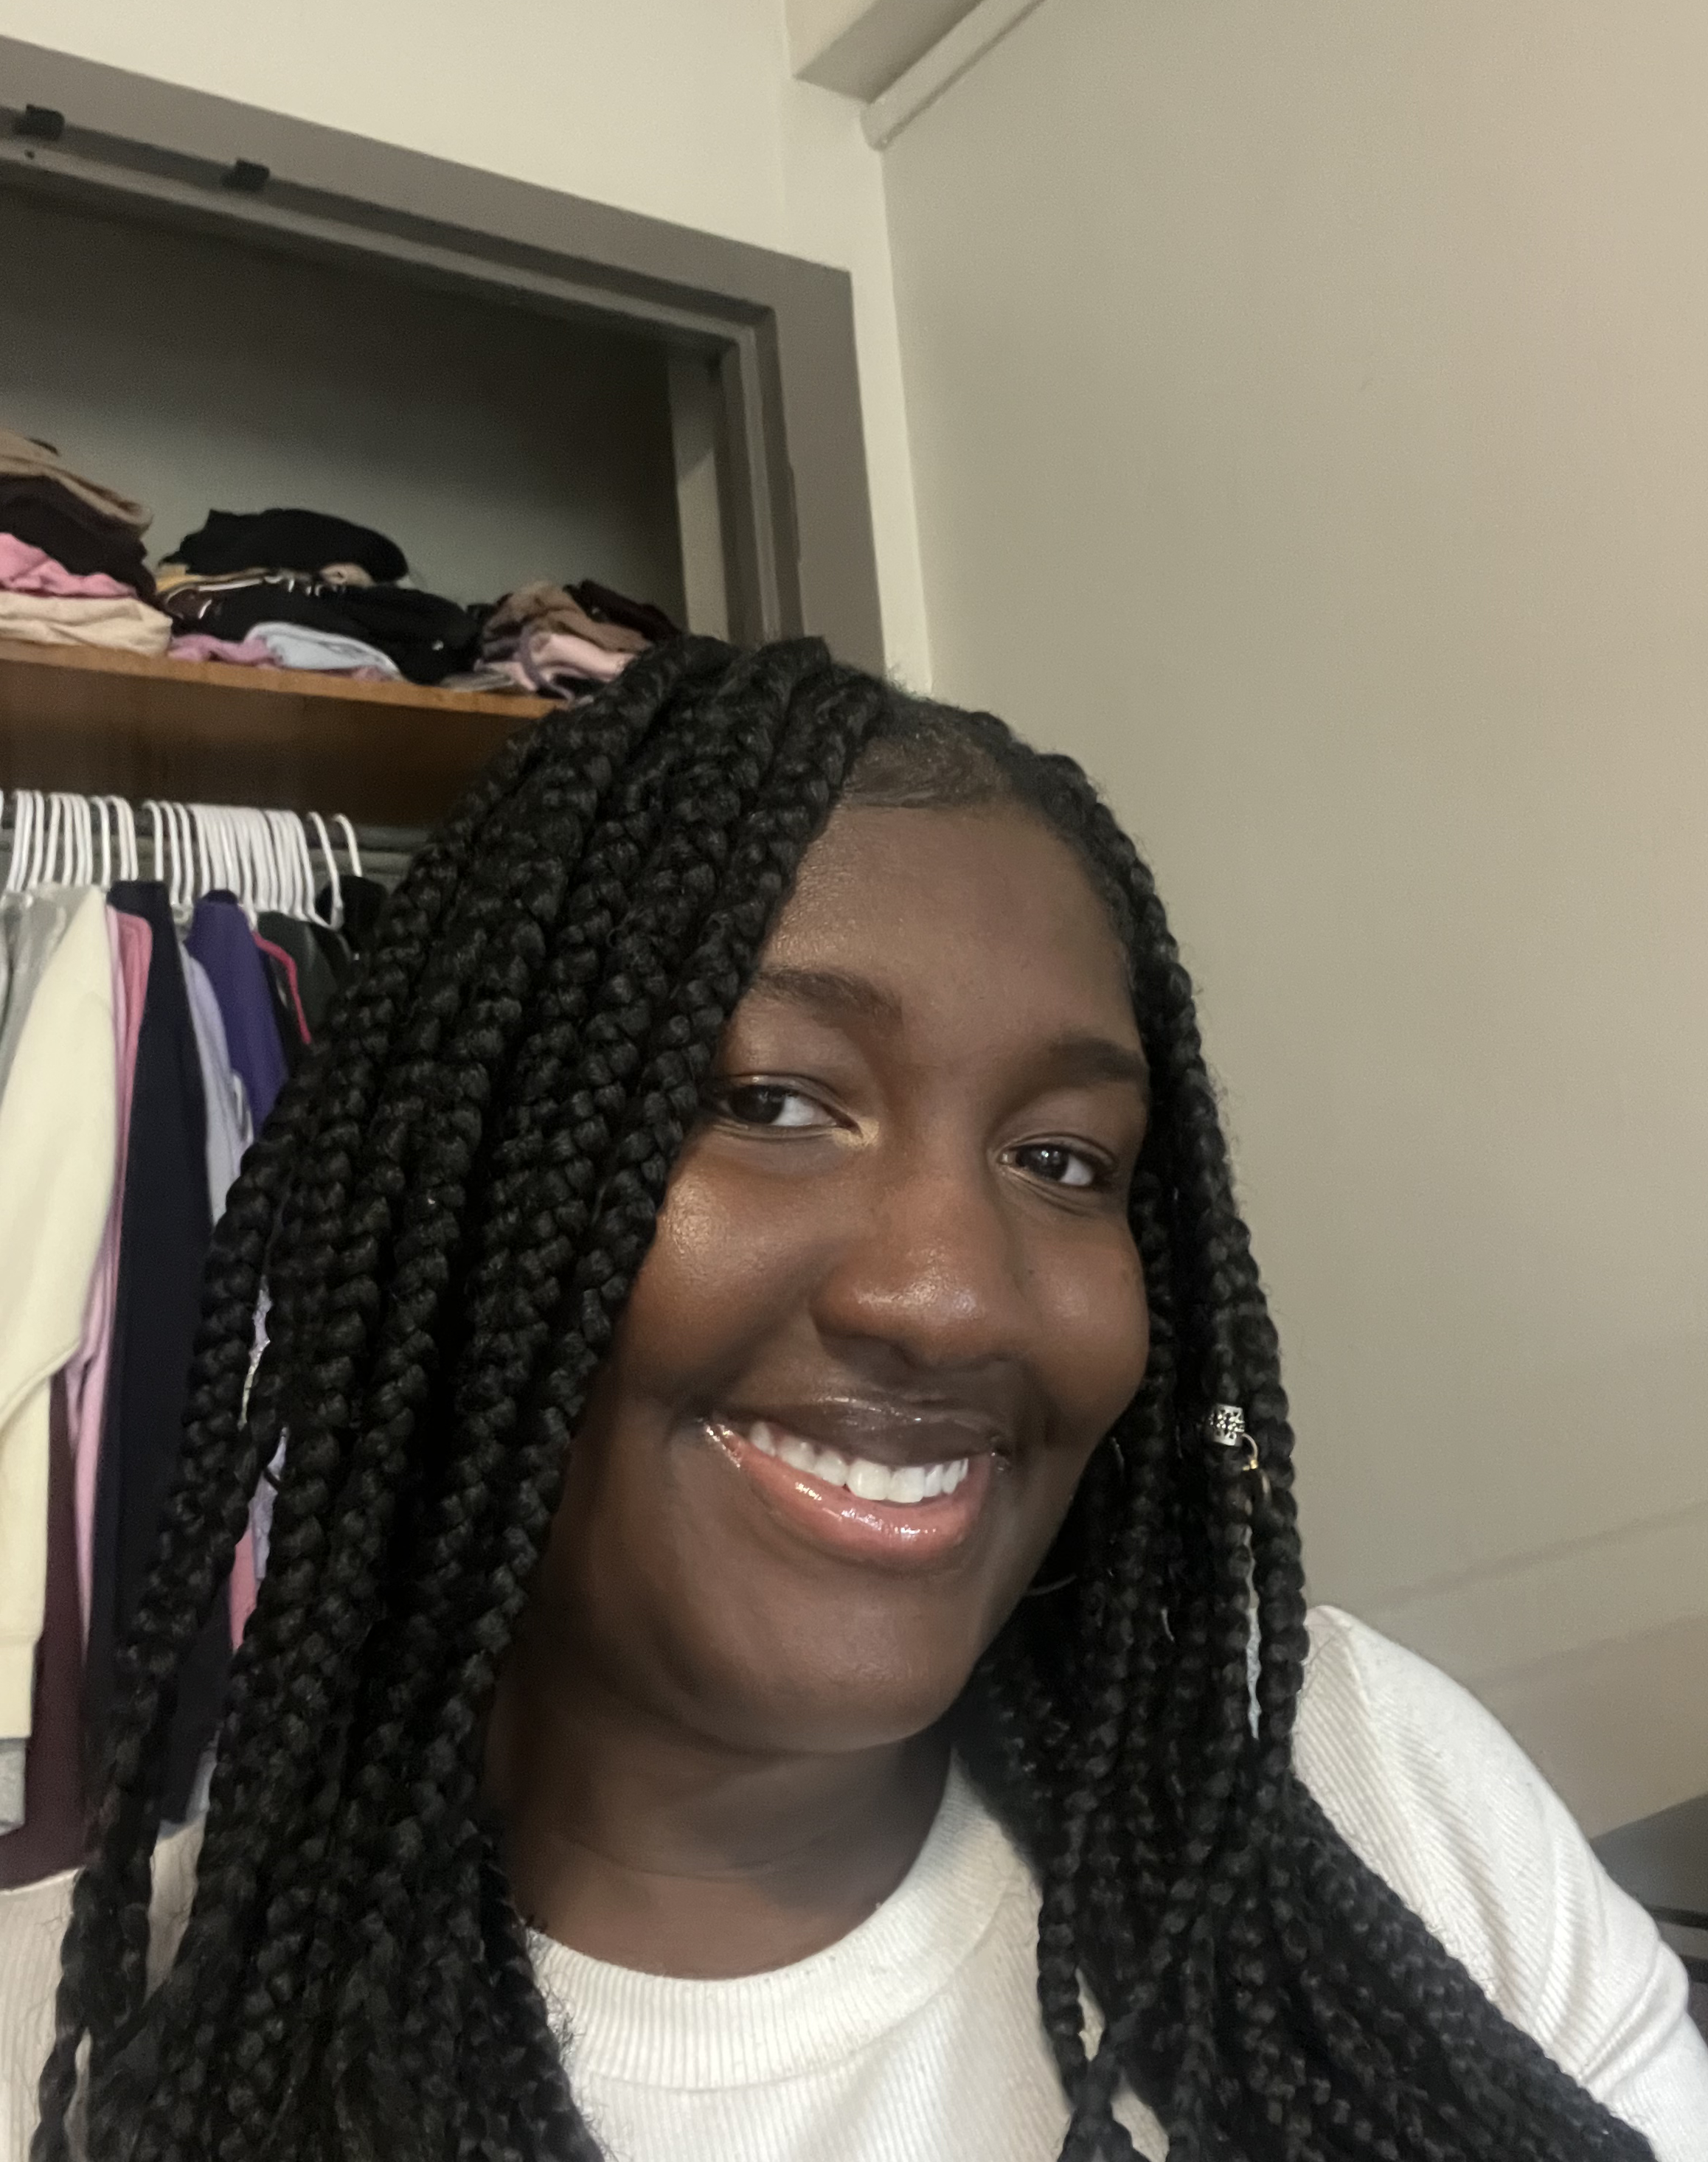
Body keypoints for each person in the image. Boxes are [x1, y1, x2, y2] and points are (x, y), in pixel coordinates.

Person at [1, 636, 1704, 2162]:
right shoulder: (62, 2055)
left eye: (1062, 1157)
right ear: (462, 1188)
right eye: (773, 1099)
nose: (952, 1290)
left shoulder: (1356, 1769)